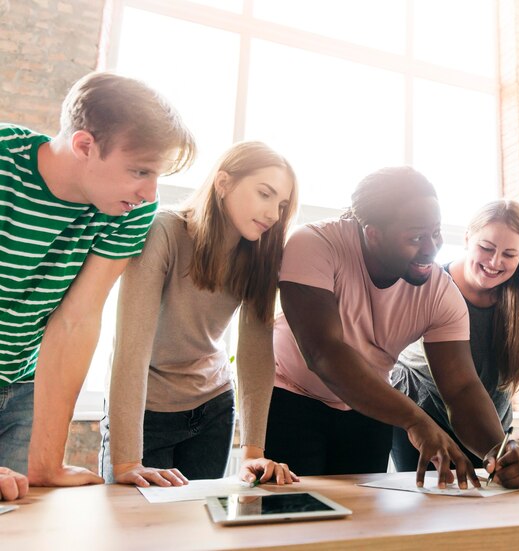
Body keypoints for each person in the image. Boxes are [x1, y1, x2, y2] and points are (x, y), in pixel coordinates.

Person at [264, 166, 519, 489]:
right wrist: (414, 419)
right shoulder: (315, 244)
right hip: (291, 397)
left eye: (435, 233)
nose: (431, 248)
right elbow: (325, 353)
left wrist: (499, 449)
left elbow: (461, 388)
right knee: (292, 524)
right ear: (372, 233)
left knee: (362, 527)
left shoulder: (439, 293)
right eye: (416, 237)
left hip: (367, 409)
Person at [0, 72, 195, 500]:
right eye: (140, 171)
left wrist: (47, 464)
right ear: (85, 146)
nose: (149, 192)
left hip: (23, 384)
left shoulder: (127, 209)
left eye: (157, 175)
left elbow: (78, 319)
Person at [100, 142, 299, 488]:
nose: (273, 214)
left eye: (281, 205)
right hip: (146, 414)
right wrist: (128, 460)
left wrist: (253, 451)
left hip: (213, 411)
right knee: (133, 534)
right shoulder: (163, 231)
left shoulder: (260, 256)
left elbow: (254, 353)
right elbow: (131, 349)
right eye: (264, 194)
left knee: (197, 535)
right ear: (223, 183)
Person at [391, 200, 519, 473]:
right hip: (423, 417)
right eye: (486, 248)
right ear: (466, 238)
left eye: (509, 254)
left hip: (489, 424)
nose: (495, 262)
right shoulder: (432, 284)